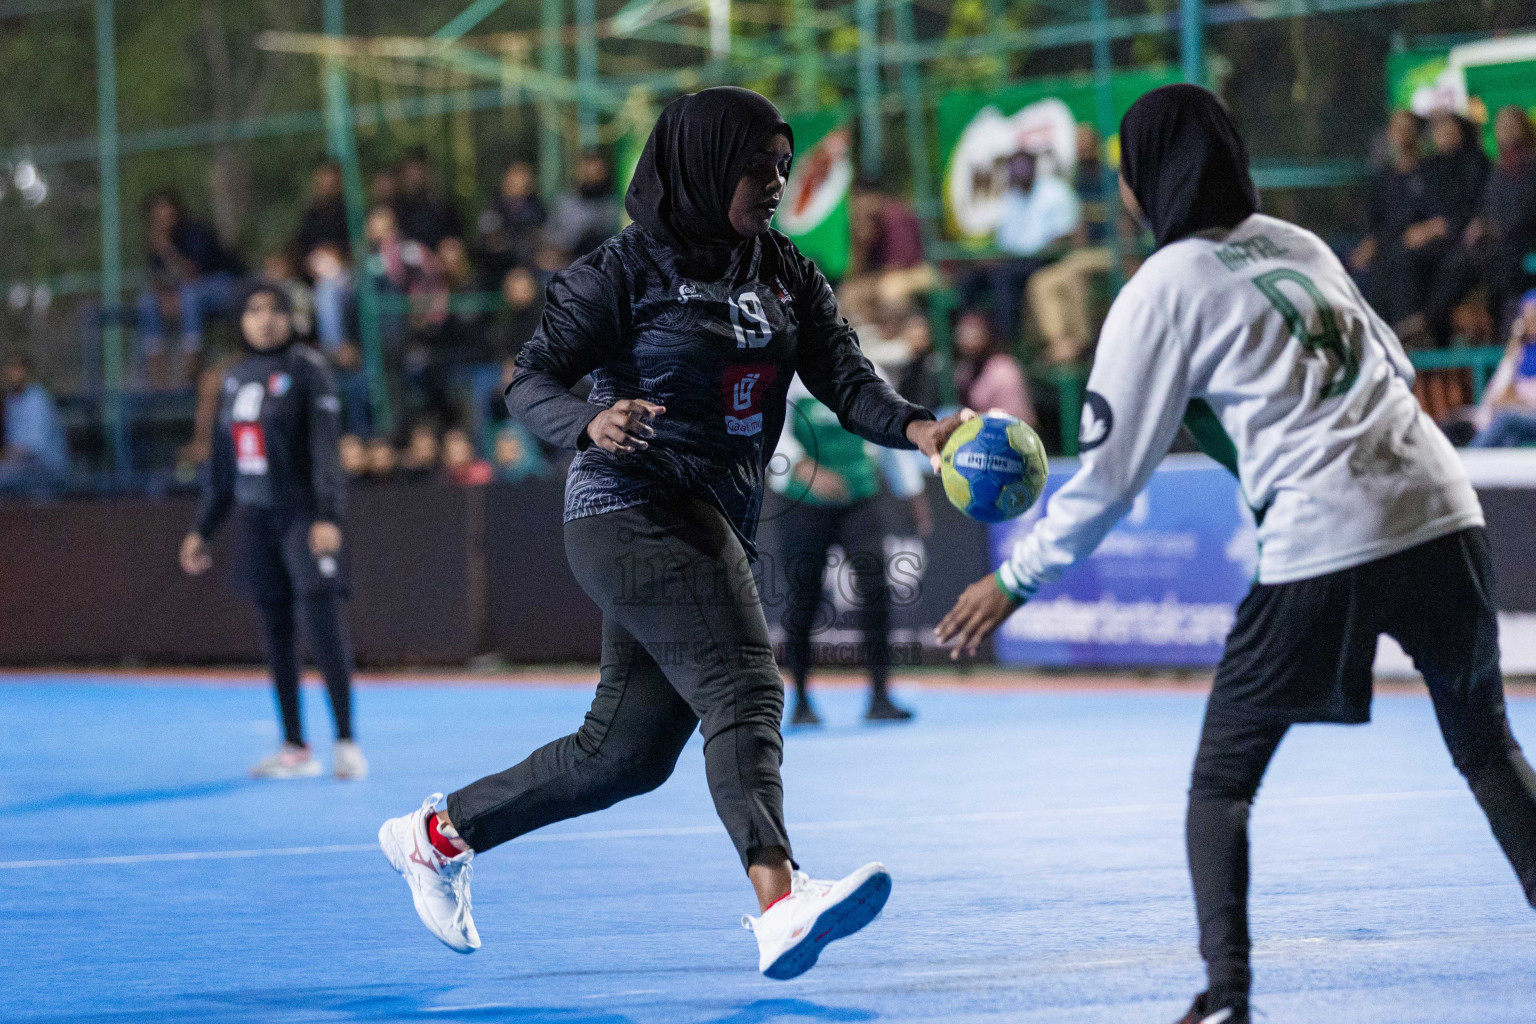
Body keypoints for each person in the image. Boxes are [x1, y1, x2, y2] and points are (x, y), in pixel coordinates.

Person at [934, 85, 1536, 1024]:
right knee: (1489, 749)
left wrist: (1014, 576)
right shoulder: (1299, 244)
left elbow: (1111, 477)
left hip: (1326, 533)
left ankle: (1228, 998)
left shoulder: (1162, 289)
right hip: (1440, 506)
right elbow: (1401, 374)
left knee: (1221, 783)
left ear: (1145, 183)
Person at [377, 86, 963, 976]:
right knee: (746, 685)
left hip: (712, 514)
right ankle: (778, 900)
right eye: (755, 164)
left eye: (781, 161)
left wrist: (919, 428)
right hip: (625, 504)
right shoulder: (618, 272)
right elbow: (527, 381)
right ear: (698, 165)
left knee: (623, 757)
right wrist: (587, 422)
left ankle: (437, 835)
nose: (775, 179)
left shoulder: (786, 272)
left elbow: (848, 381)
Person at [179, 284, 367, 782]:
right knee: (276, 634)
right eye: (253, 310)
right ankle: (294, 747)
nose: (263, 320)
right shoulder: (234, 378)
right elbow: (223, 467)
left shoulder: (309, 370)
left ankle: (346, 742)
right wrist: (203, 529)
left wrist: (329, 514)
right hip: (255, 519)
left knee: (322, 625)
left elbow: (327, 449)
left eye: (274, 310)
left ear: (292, 318)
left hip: (304, 516)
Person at [772, 373, 932, 725]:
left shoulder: (864, 366)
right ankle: (800, 702)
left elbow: (891, 425)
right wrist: (804, 468)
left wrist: (912, 493)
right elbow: (769, 430)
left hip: (859, 497)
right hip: (803, 502)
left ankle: (880, 697)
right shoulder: (782, 370)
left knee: (876, 590)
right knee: (804, 599)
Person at [1422, 106, 1536, 344]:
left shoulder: (1530, 167)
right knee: (1456, 262)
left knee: (1499, 266)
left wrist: (1495, 228)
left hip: (1521, 244)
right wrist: (1481, 224)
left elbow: (1524, 214)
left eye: (1509, 125)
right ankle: (1430, 325)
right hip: (1494, 247)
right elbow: (1488, 207)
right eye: (1500, 126)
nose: (1504, 131)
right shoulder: (1499, 170)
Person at [1026, 125, 1117, 366]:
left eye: (1086, 144)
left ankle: (1081, 340)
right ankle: (1060, 342)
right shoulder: (1077, 181)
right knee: (1042, 281)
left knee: (1075, 268)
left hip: (1116, 251)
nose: (1082, 150)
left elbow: (1126, 222)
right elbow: (1079, 227)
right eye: (1078, 145)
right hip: (1085, 254)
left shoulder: (1112, 178)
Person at [136, 189, 247, 385]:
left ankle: (191, 368)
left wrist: (167, 251)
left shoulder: (195, 231)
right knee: (147, 302)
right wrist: (165, 296)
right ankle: (156, 375)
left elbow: (192, 274)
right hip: (184, 292)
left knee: (190, 296)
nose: (162, 218)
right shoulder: (156, 241)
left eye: (166, 211)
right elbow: (158, 281)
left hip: (225, 284)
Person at [1349, 110, 1428, 323]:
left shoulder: (1429, 172)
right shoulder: (1384, 177)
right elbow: (1373, 218)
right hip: (1383, 244)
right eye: (1395, 128)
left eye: (1406, 127)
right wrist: (1370, 242)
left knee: (1393, 266)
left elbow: (1419, 217)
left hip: (1411, 246)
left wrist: (1377, 242)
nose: (1401, 133)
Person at [1469, 289, 1536, 447]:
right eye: (1527, 316)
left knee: (1505, 419)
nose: (1530, 321)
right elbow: (1496, 392)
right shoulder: (1519, 350)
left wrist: (1519, 398)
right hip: (1514, 413)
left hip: (1526, 412)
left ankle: (1470, 462)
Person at [0, 351, 68, 497]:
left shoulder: (36, 398)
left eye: (17, 368)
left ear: (26, 371)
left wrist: (5, 455)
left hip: (46, 465)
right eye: (9, 368)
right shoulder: (10, 400)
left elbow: (34, 447)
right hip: (21, 465)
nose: (12, 373)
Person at [951, 308, 1036, 425]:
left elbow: (1016, 418)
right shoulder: (965, 369)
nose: (967, 337)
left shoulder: (1004, 369)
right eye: (963, 332)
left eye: (973, 331)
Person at [545, 150, 621, 262]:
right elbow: (551, 235)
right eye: (587, 173)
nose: (592, 178)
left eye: (596, 173)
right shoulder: (564, 202)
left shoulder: (613, 204)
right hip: (568, 262)